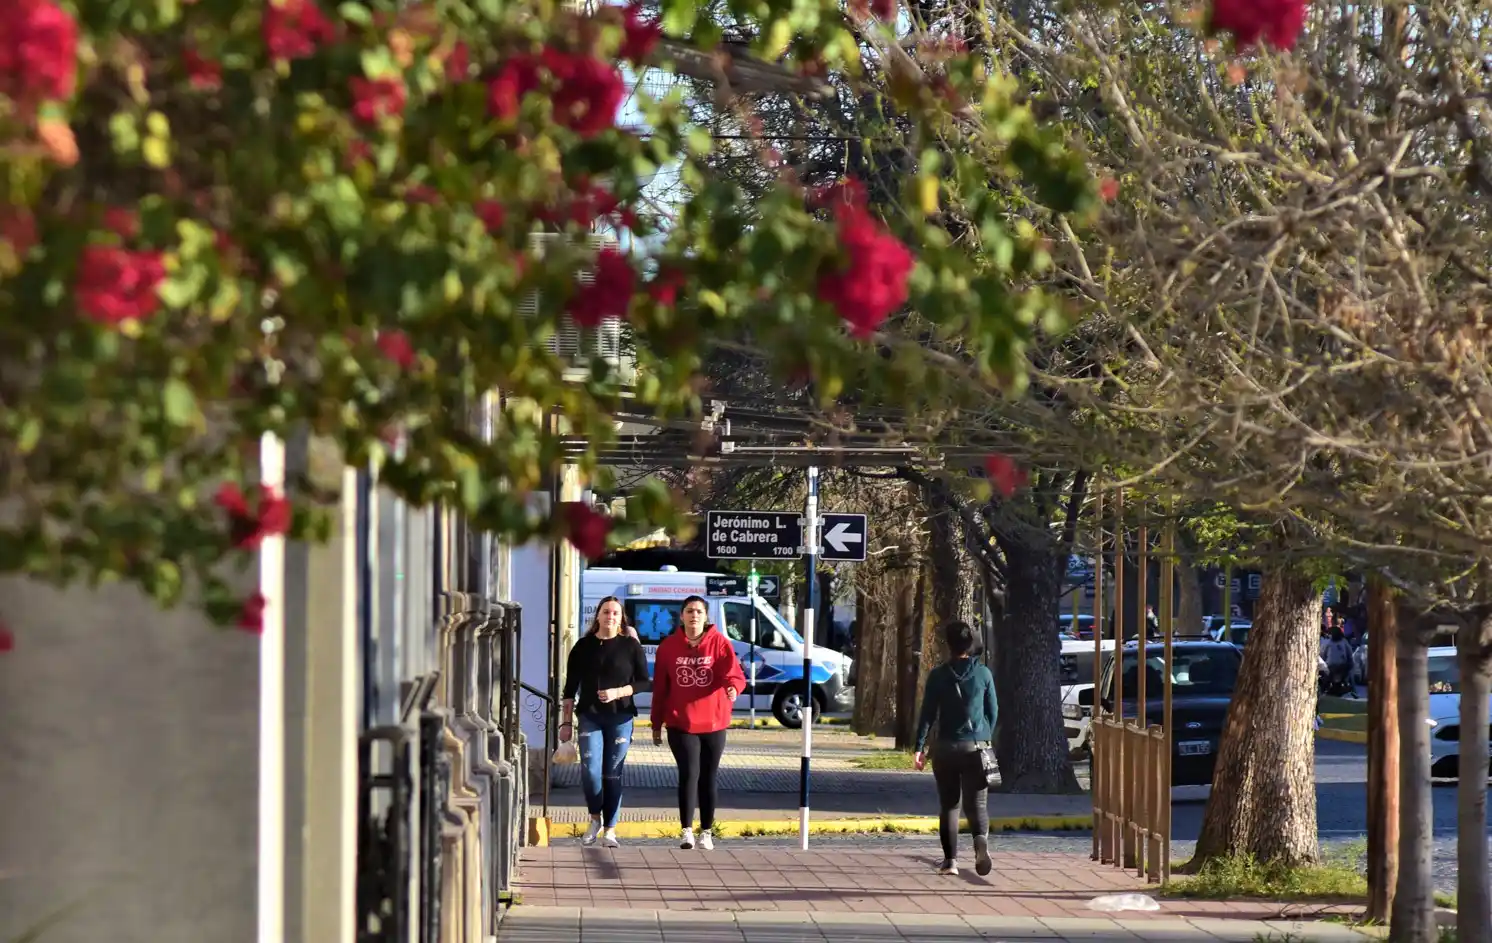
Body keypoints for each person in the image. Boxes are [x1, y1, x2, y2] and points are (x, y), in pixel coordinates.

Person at [650, 594, 745, 851]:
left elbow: (734, 674)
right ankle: (686, 831)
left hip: (714, 722)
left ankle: (706, 831)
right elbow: (661, 688)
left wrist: (733, 688)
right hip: (682, 723)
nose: (694, 616)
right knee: (689, 774)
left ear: (706, 617)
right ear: (681, 616)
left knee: (708, 777)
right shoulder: (668, 647)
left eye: (699, 612)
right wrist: (656, 723)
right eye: (689, 611)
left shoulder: (720, 643)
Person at [558, 595, 651, 848]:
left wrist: (618, 692)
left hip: (620, 716)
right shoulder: (582, 646)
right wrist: (565, 724)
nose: (610, 617)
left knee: (612, 774)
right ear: (597, 615)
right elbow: (569, 689)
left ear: (621, 619)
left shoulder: (630, 646)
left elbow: (644, 682)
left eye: (615, 613)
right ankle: (594, 818)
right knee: (589, 771)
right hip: (589, 715)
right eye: (606, 612)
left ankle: (610, 829)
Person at [913, 620, 999, 877]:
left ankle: (950, 862)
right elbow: (993, 711)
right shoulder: (983, 673)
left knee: (950, 805)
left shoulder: (938, 675)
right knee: (978, 804)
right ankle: (980, 843)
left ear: (948, 644)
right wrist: (985, 736)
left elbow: (927, 714)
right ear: (970, 643)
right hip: (976, 748)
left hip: (946, 749)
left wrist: (919, 747)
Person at [1323, 627, 1354, 697]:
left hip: (1333, 666)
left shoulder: (1328, 642)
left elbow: (1323, 654)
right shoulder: (1344, 642)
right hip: (1339, 666)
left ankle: (1323, 690)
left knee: (1326, 678)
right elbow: (1350, 654)